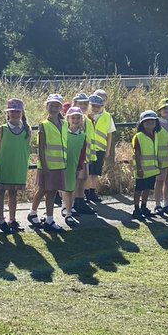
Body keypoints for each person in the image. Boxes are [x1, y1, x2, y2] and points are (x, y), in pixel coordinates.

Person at [29, 94, 67, 232]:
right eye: (51, 106)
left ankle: (34, 214)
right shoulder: (44, 125)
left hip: (60, 165)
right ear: (47, 107)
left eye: (57, 106)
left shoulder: (64, 124)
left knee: (51, 191)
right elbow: (41, 148)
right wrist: (44, 166)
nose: (54, 108)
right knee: (46, 190)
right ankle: (48, 219)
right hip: (48, 166)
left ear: (61, 108)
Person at [0, 98, 31, 232]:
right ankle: (0, 218)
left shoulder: (26, 130)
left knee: (13, 193)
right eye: (12, 112)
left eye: (18, 112)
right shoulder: (2, 129)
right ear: (8, 113)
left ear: (22, 113)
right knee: (0, 191)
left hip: (18, 167)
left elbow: (26, 149)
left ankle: (12, 219)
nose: (15, 114)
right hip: (4, 166)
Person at [84, 93, 116, 205]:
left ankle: (92, 192)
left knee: (95, 173)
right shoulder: (86, 116)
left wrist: (107, 150)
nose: (96, 108)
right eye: (93, 106)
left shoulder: (107, 116)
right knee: (87, 172)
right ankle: (85, 193)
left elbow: (109, 134)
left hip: (100, 148)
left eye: (98, 106)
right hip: (88, 149)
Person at [62, 105, 89, 226]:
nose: (75, 120)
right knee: (61, 188)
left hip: (74, 165)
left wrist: (80, 167)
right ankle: (62, 209)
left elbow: (82, 153)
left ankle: (69, 212)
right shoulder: (63, 133)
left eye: (78, 118)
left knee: (71, 188)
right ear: (68, 119)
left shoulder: (82, 136)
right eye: (73, 118)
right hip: (61, 165)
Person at [132, 111, 161, 220]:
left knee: (148, 189)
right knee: (139, 189)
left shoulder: (156, 135)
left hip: (152, 169)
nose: (150, 123)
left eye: (152, 121)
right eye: (146, 121)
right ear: (142, 124)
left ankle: (144, 207)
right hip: (142, 169)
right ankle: (136, 209)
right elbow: (137, 153)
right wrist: (139, 168)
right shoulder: (138, 137)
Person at [69, 93, 94, 214]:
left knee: (83, 178)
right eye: (80, 103)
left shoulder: (87, 120)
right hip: (75, 155)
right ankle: (70, 204)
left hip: (85, 154)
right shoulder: (73, 119)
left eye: (85, 103)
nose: (83, 105)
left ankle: (80, 201)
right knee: (75, 179)